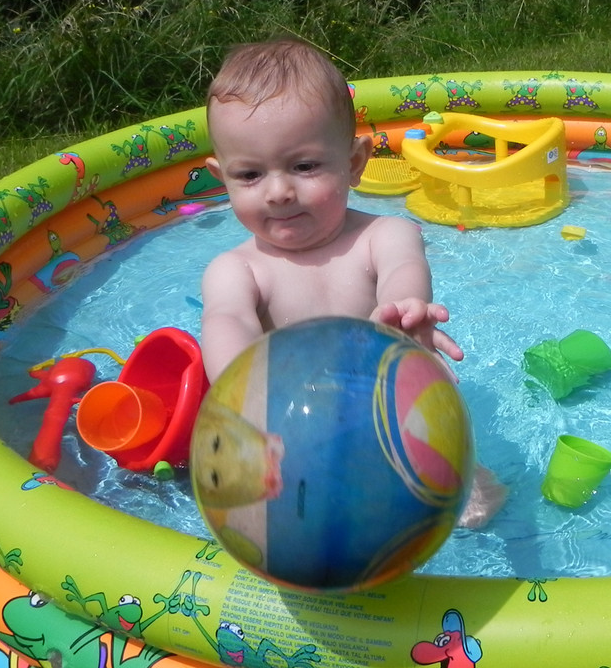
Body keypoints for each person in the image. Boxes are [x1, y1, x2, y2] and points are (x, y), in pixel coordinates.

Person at [200, 38, 504, 527]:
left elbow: (403, 271)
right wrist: (248, 398)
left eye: (304, 166)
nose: (278, 192)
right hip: (293, 432)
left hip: (389, 416)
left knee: (478, 510)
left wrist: (402, 313)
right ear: (223, 179)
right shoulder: (237, 269)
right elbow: (226, 321)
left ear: (355, 162)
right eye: (250, 175)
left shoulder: (383, 235)